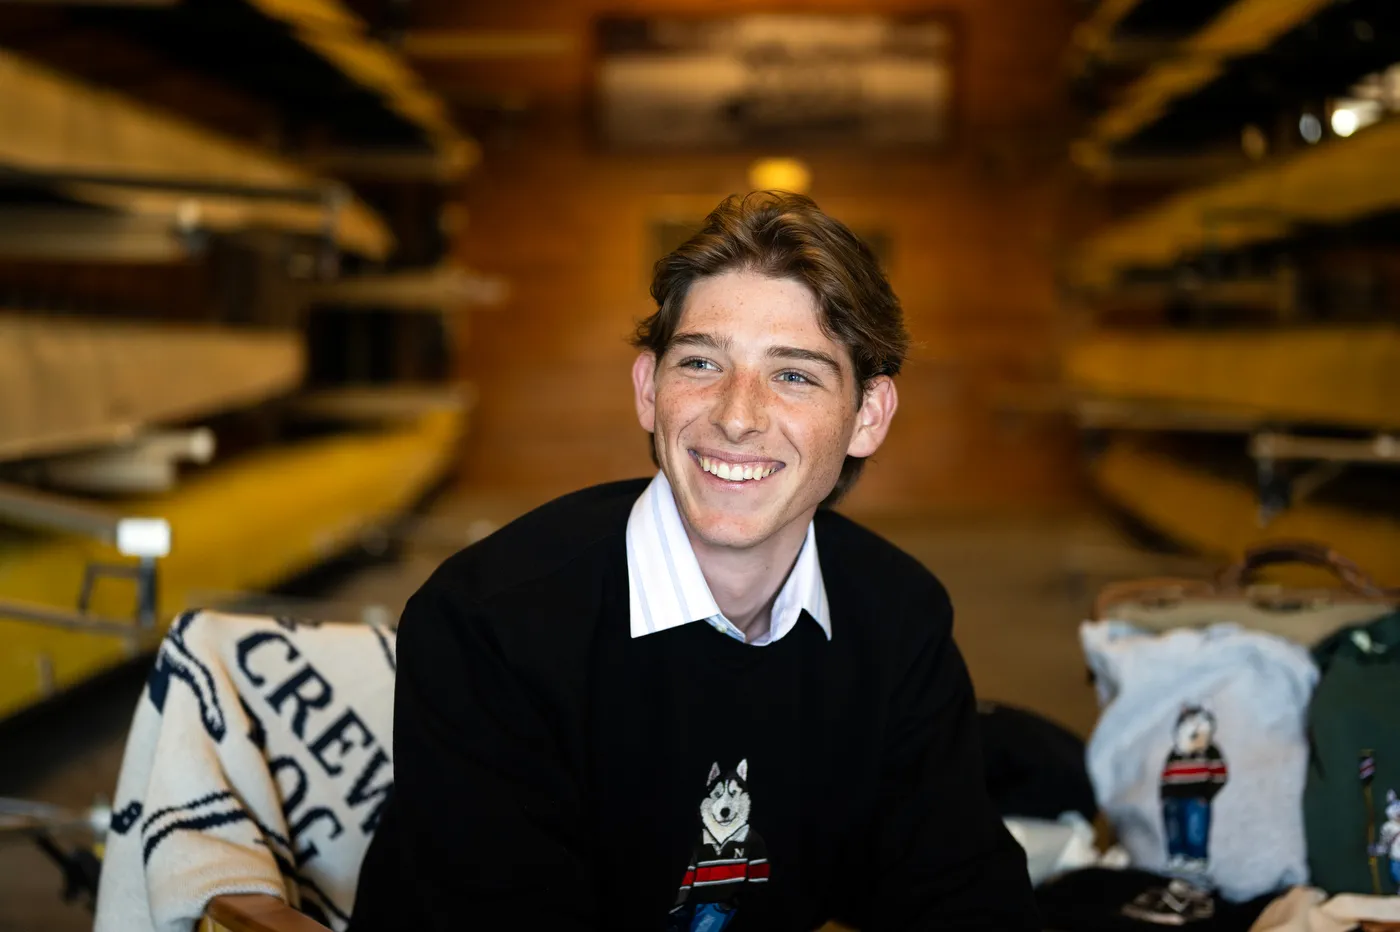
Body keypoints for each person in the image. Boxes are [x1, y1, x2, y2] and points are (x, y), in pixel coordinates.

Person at [348, 191, 1038, 931]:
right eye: (702, 363)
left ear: (867, 416)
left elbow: (965, 894)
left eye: (794, 374)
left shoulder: (899, 616)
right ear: (649, 391)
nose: (737, 416)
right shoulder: (489, 626)